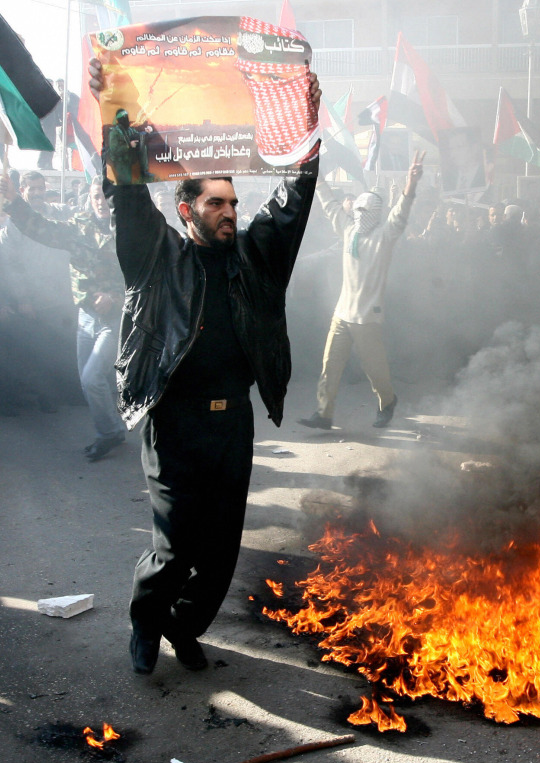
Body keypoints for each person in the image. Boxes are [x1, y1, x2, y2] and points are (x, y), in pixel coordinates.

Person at [88, 58, 321, 675]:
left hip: (231, 426)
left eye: (234, 203)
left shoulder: (256, 258)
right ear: (187, 210)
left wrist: (306, 132)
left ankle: (183, 624)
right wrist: (114, 113)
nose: (230, 212)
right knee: (175, 548)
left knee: (219, 555)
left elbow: (295, 201)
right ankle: (146, 622)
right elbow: (131, 198)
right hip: (177, 424)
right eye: (216, 202)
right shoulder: (156, 257)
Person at [300, 150, 425, 431]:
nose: (358, 215)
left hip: (368, 316)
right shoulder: (348, 231)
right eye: (357, 210)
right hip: (342, 313)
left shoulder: (384, 237)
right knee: (330, 366)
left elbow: (400, 212)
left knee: (375, 370)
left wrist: (411, 184)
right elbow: (331, 205)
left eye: (364, 212)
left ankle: (387, 402)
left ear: (375, 215)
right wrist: (317, 178)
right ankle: (324, 414)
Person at [0, 173, 123, 450]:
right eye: (95, 197)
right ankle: (112, 428)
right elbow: (39, 227)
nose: (100, 202)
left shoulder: (130, 229)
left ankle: (109, 433)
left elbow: (142, 273)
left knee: (93, 379)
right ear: (89, 200)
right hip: (86, 315)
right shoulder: (79, 226)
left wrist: (115, 296)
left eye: (105, 197)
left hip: (117, 315)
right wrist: (13, 200)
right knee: (88, 380)